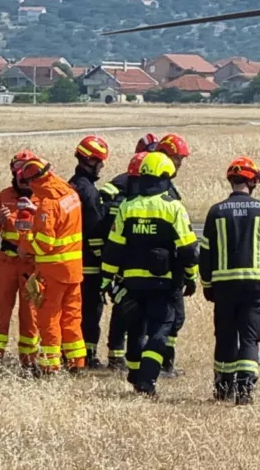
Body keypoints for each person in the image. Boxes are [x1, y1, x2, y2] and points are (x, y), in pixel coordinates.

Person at [100, 151, 198, 398]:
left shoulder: (126, 207)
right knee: (161, 329)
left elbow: (113, 248)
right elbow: (188, 249)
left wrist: (105, 280)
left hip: (132, 282)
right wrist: (191, 276)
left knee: (135, 328)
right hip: (163, 283)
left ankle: (134, 376)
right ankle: (147, 380)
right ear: (165, 177)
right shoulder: (173, 208)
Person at [200, 157, 260, 405]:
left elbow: (205, 253)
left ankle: (222, 388)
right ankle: (245, 390)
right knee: (250, 338)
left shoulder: (215, 212)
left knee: (225, 336)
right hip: (255, 286)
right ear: (253, 182)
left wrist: (207, 283)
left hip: (224, 286)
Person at [14, 157, 87, 375]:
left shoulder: (47, 204)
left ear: (33, 180)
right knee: (72, 316)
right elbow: (62, 223)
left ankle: (50, 367)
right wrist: (36, 212)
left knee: (49, 318)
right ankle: (77, 363)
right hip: (73, 270)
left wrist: (25, 241)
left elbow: (45, 244)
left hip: (53, 271)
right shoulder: (69, 193)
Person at [0, 150, 40, 371]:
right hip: (7, 262)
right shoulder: (4, 196)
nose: (24, 178)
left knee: (30, 314)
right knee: (1, 312)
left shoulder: (42, 198)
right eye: (20, 173)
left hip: (32, 265)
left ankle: (28, 361)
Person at [100, 151, 151, 370]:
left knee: (122, 311)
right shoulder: (130, 205)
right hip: (127, 266)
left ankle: (116, 355)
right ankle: (118, 357)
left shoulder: (120, 201)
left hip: (120, 265)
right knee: (125, 312)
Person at [68, 135, 110, 369]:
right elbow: (95, 232)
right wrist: (105, 260)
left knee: (72, 310)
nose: (102, 166)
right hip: (89, 264)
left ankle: (71, 352)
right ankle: (89, 356)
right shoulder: (90, 193)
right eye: (100, 161)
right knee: (91, 310)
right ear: (89, 161)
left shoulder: (70, 185)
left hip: (71, 259)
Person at [154, 133, 191, 375]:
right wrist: (190, 271)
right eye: (177, 158)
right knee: (171, 318)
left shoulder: (156, 185)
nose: (180, 164)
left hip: (162, 264)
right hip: (167, 267)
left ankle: (165, 363)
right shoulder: (163, 190)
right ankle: (163, 364)